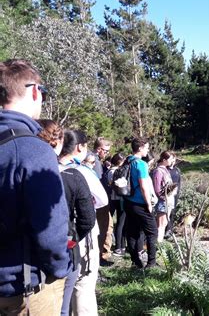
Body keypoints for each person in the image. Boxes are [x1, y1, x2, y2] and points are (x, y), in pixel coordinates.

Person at [0, 59, 70, 315]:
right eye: (43, 91)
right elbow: (51, 226)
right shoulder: (34, 151)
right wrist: (60, 268)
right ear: (33, 90)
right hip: (23, 286)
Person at [37, 120, 96, 316]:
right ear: (59, 141)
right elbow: (88, 218)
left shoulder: (17, 167)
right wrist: (73, 239)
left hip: (20, 258)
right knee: (62, 307)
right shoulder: (73, 176)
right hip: (63, 250)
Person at [60, 129, 105, 316]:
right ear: (80, 147)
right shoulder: (80, 172)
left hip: (55, 238)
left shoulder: (45, 166)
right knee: (83, 286)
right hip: (80, 237)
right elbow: (102, 200)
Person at [123, 137, 158, 269]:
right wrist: (149, 203)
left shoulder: (128, 161)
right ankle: (151, 263)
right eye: (147, 147)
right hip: (141, 203)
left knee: (132, 232)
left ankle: (136, 261)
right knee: (152, 232)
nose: (148, 150)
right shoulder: (141, 164)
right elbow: (143, 186)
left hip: (128, 202)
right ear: (140, 148)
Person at [92, 137, 114, 265]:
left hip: (98, 201)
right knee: (105, 228)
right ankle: (102, 256)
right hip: (99, 202)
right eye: (105, 151)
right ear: (99, 149)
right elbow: (97, 182)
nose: (106, 153)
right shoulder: (95, 162)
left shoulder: (96, 161)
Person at [152, 151, 178, 242]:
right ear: (164, 160)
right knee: (161, 224)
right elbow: (157, 188)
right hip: (163, 202)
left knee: (164, 223)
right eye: (170, 159)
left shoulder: (165, 170)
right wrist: (163, 198)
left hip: (168, 201)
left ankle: (159, 243)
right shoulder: (158, 171)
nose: (172, 161)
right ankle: (157, 245)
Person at [107, 153, 127, 256]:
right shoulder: (116, 171)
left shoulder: (109, 171)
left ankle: (121, 245)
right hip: (120, 199)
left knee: (119, 222)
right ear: (119, 162)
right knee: (120, 222)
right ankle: (119, 246)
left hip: (113, 198)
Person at [165, 152, 182, 238]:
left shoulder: (177, 170)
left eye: (174, 160)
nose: (173, 161)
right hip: (167, 195)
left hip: (175, 195)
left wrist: (177, 193)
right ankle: (165, 230)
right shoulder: (165, 170)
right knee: (165, 213)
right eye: (172, 159)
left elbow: (179, 183)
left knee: (172, 213)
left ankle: (170, 229)